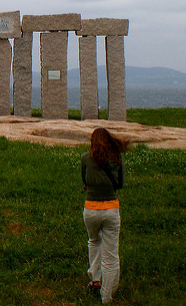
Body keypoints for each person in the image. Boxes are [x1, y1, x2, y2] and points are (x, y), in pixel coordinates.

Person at [81, 127, 127, 304]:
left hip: (91, 209)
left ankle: (95, 279)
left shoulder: (85, 158)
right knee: (111, 254)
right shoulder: (116, 158)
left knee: (93, 241)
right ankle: (107, 295)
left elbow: (84, 180)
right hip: (110, 209)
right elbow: (120, 183)